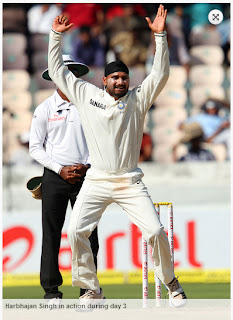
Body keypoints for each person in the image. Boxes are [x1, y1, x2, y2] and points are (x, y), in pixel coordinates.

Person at [48, 5, 187, 305]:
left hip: (129, 179)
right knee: (75, 231)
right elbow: (58, 72)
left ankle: (172, 282)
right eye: (115, 78)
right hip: (96, 178)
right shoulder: (86, 96)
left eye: (124, 78)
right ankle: (91, 288)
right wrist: (55, 38)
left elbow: (160, 73)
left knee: (155, 230)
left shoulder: (138, 99)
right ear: (105, 81)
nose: (121, 82)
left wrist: (160, 36)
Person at [29, 54, 99, 302]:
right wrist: (60, 169)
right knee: (52, 234)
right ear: (55, 77)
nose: (67, 77)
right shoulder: (44, 109)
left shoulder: (90, 104)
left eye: (71, 72)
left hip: (86, 176)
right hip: (55, 178)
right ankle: (51, 292)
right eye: (62, 72)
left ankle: (87, 289)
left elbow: (99, 139)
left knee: (87, 233)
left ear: (76, 76)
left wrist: (87, 165)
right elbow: (35, 148)